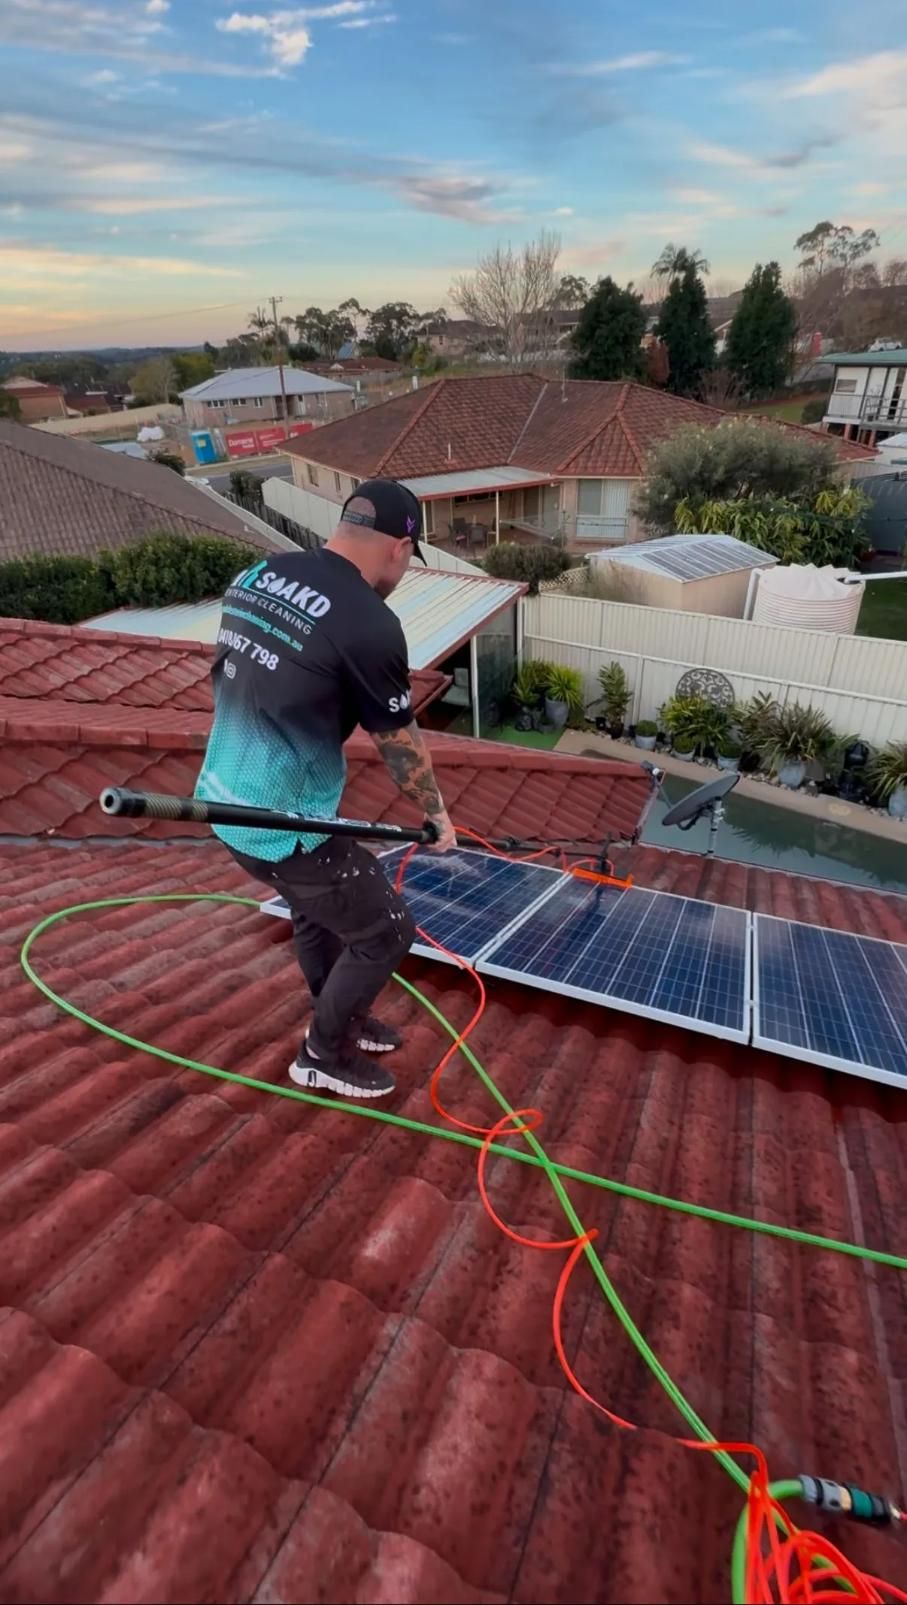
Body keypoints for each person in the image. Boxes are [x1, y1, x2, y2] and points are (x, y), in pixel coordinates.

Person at [195, 478, 456, 1100]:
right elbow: (398, 743)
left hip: (223, 796)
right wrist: (437, 815)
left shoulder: (258, 575)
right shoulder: (370, 622)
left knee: (318, 914)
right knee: (387, 930)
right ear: (400, 547)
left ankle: (339, 1013)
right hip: (283, 827)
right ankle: (322, 1054)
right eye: (407, 561)